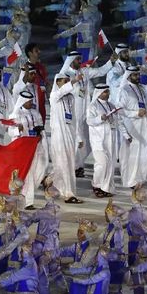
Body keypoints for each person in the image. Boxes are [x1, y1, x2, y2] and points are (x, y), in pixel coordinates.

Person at [59, 50, 113, 178]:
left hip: (86, 110)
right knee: (77, 139)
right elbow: (61, 91)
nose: (80, 61)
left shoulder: (84, 72)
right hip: (73, 112)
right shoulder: (65, 75)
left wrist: (111, 61)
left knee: (87, 140)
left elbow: (100, 71)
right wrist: (73, 81)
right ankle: (75, 166)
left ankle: (79, 163)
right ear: (72, 61)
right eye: (78, 59)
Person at [8, 90, 49, 209]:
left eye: (32, 100)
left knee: (40, 170)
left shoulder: (36, 113)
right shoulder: (15, 115)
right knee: (29, 174)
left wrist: (40, 134)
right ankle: (28, 202)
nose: (31, 102)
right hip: (24, 149)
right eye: (29, 101)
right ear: (23, 101)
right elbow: (11, 132)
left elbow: (41, 127)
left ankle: (23, 194)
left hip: (37, 146)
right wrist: (18, 130)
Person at [49, 72, 85, 203]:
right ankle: (68, 194)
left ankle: (55, 184)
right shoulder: (54, 96)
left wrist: (78, 137)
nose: (67, 84)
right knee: (62, 162)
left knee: (69, 164)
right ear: (57, 82)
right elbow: (61, 92)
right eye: (64, 81)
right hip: (59, 135)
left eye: (68, 81)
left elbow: (74, 119)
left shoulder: (71, 98)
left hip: (70, 134)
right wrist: (74, 80)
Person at [87, 84, 126, 198]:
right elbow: (89, 121)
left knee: (110, 164)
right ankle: (96, 185)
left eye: (108, 92)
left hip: (111, 138)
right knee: (102, 163)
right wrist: (100, 118)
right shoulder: (92, 106)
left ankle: (106, 187)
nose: (107, 94)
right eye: (105, 92)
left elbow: (118, 121)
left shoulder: (111, 105)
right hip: (98, 139)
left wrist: (126, 135)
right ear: (99, 93)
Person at [118, 66, 147, 189]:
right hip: (132, 125)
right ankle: (131, 180)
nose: (138, 77)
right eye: (134, 75)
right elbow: (120, 110)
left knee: (144, 152)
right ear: (128, 76)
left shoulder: (141, 88)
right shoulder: (125, 90)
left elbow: (146, 106)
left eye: (138, 75)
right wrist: (135, 113)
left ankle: (140, 178)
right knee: (133, 154)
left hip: (143, 124)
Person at [61, 219, 99, 294]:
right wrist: (52, 253)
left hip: (86, 279)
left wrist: (68, 266)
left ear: (87, 233)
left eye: (81, 232)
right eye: (78, 231)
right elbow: (64, 251)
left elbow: (84, 265)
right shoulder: (78, 245)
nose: (78, 234)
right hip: (75, 277)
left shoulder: (93, 247)